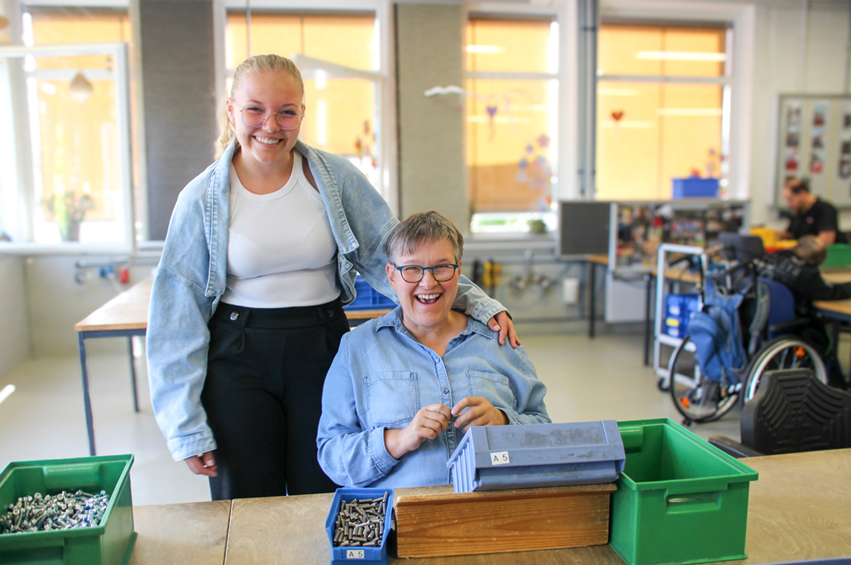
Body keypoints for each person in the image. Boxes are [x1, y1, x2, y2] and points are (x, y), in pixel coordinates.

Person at [146, 55, 519, 501]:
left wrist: (481, 304)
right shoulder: (201, 198)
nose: (271, 124)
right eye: (254, 109)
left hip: (321, 345)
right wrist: (184, 426)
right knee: (246, 499)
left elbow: (401, 259)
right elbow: (176, 312)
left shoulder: (334, 179)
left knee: (325, 486)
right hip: (238, 354)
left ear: (302, 113)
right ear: (230, 110)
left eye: (286, 111)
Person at [317, 211, 551, 489]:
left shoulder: (499, 340)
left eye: (441, 267)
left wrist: (503, 422)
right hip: (399, 521)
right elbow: (332, 455)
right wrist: (399, 440)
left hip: (494, 517)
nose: (428, 283)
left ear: (458, 271)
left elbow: (546, 433)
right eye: (412, 269)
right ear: (391, 276)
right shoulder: (357, 348)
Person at [754, 235, 851, 362]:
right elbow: (832, 292)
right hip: (793, 325)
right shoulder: (806, 273)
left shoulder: (770, 258)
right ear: (816, 260)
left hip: (760, 320)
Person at [780, 178, 841, 245]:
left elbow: (826, 241)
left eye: (791, 199)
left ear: (802, 194)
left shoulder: (825, 209)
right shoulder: (799, 211)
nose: (788, 204)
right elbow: (790, 234)